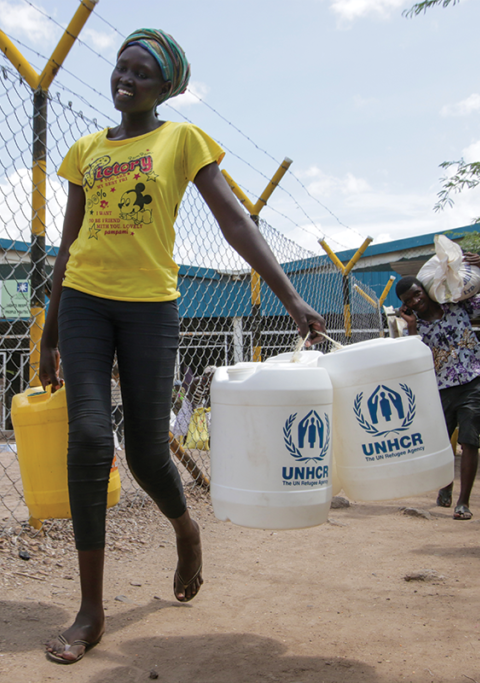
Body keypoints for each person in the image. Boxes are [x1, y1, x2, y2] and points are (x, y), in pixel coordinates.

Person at [38, 29, 325, 664]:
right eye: (121, 67)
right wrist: (50, 332)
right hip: (84, 300)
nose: (126, 79)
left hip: (150, 307)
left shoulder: (182, 139)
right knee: (88, 435)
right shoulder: (85, 150)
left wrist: (290, 297)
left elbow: (232, 220)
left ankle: (185, 530)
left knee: (144, 450)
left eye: (142, 73)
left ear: (165, 87)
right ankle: (90, 610)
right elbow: (67, 244)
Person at [397, 251, 480, 521]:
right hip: (440, 389)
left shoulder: (457, 305)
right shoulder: (416, 326)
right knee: (442, 444)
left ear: (427, 289)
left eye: (417, 294)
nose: (415, 301)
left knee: (469, 441)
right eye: (409, 301)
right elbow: (416, 358)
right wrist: (411, 326)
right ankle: (445, 485)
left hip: (472, 382)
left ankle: (463, 502)